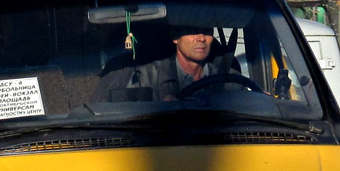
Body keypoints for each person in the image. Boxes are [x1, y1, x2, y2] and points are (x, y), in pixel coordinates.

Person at [96, 25, 236, 102]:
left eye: (206, 31)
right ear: (175, 38)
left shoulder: (229, 78)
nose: (201, 38)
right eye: (192, 31)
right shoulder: (147, 76)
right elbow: (126, 121)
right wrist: (161, 112)